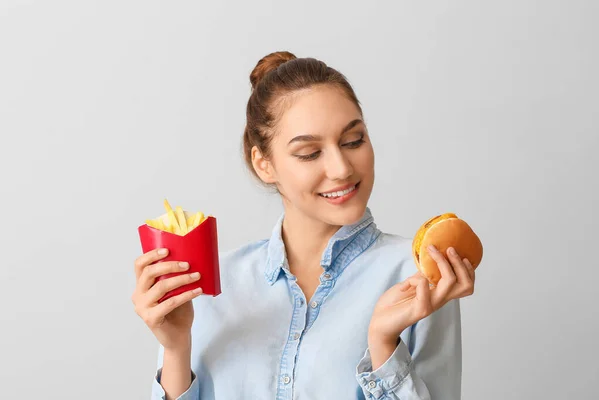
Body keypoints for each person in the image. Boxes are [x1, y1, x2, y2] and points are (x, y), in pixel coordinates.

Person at [131, 51, 476, 400]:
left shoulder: (420, 276)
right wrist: (176, 349)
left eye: (353, 140)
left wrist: (383, 347)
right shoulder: (212, 284)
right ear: (264, 164)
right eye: (310, 153)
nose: (341, 168)